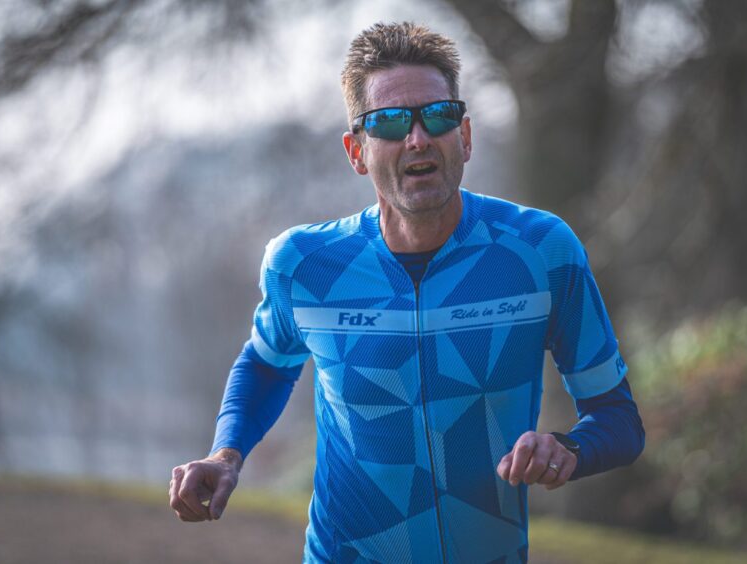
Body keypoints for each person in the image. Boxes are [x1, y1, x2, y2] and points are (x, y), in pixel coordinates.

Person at [170, 21, 644, 563]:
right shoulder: (303, 265)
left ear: (463, 136)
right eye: (390, 123)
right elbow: (266, 363)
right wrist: (226, 454)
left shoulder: (541, 252)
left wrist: (568, 450)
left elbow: (620, 420)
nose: (418, 138)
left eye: (437, 117)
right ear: (356, 151)